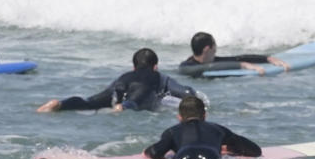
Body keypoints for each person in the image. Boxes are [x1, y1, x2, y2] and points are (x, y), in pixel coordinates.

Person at [36, 48, 197, 113]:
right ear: (155, 66)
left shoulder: (125, 75)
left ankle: (60, 104)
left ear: (134, 66)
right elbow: (186, 92)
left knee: (89, 102)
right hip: (138, 94)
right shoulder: (160, 77)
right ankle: (122, 107)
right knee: (132, 103)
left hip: (120, 85)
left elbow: (115, 89)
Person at [143, 94, 261, 159]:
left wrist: (147, 150)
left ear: (179, 117)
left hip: (183, 156)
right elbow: (255, 151)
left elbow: (155, 153)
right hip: (210, 155)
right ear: (204, 115)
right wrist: (230, 148)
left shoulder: (172, 131)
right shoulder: (218, 130)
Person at [178, 31, 290, 78]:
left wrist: (267, 58)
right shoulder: (186, 67)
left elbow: (237, 58)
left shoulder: (211, 61)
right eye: (215, 46)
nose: (216, 49)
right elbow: (209, 67)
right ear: (207, 49)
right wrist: (243, 65)